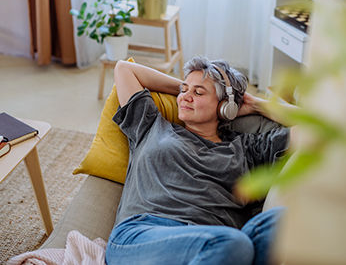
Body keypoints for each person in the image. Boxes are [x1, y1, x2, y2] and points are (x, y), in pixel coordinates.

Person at [105, 56, 296, 265]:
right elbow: (124, 69)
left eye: (198, 93)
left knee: (282, 219)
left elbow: (321, 128)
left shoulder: (248, 148)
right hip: (142, 233)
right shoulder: (151, 126)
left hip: (220, 243)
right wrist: (190, 86)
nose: (185, 97)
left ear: (226, 107)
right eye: (184, 90)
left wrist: (257, 104)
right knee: (233, 244)